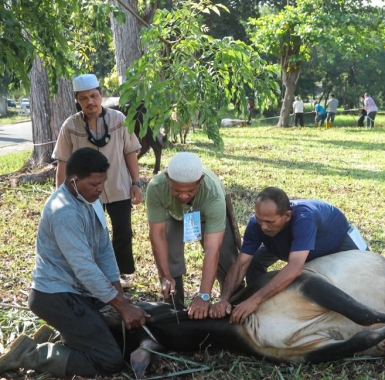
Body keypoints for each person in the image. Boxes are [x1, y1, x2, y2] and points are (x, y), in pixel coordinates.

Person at [0, 148, 148, 377]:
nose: (100, 189)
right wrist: (122, 306)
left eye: (102, 183)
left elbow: (104, 250)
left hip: (77, 292)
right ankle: (29, 354)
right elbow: (85, 269)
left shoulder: (90, 199)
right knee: (109, 361)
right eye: (94, 184)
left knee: (118, 337)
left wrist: (119, 296)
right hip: (55, 295)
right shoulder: (64, 212)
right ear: (73, 181)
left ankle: (56, 336)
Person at [210, 187, 368, 324]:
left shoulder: (304, 218)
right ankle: (262, 307)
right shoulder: (257, 224)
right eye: (259, 219)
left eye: (270, 222)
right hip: (290, 246)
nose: (263, 226)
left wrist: (254, 300)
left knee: (366, 275)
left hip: (336, 240)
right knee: (254, 261)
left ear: (287, 216)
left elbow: (294, 268)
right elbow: (240, 265)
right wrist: (224, 298)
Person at [53, 73, 142, 289]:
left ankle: (121, 273)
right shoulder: (70, 125)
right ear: (77, 100)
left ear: (101, 94)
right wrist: (60, 196)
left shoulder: (119, 120)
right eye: (84, 98)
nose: (90, 102)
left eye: (93, 96)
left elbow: (130, 152)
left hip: (118, 187)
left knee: (123, 230)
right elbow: (63, 162)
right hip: (85, 192)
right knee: (91, 234)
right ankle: (94, 275)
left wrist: (136, 183)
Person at [145, 152, 238, 316]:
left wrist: (203, 294)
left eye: (190, 190)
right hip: (174, 214)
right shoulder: (156, 187)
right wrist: (165, 275)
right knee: (170, 257)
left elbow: (212, 250)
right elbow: (157, 234)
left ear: (201, 180)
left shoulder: (213, 195)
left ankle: (229, 303)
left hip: (205, 214)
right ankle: (175, 306)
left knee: (226, 259)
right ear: (167, 178)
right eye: (176, 190)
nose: (183, 196)